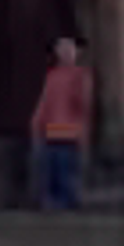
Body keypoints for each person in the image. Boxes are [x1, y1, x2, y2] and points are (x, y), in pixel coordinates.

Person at [28, 34, 97, 213]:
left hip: (69, 130)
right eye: (62, 49)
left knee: (65, 169)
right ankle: (54, 203)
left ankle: (67, 203)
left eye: (69, 49)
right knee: (51, 170)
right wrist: (37, 122)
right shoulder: (53, 76)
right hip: (52, 130)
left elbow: (83, 104)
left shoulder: (80, 75)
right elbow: (45, 101)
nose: (66, 53)